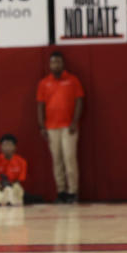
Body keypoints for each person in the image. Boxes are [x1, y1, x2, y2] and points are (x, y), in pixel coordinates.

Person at [36, 51, 84, 204]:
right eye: (53, 62)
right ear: (49, 65)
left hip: (68, 127)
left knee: (69, 159)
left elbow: (79, 101)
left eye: (58, 62)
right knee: (57, 161)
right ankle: (61, 191)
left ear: (63, 64)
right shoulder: (44, 83)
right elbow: (40, 105)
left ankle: (72, 192)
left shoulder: (72, 80)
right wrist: (42, 126)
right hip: (51, 127)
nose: (55, 65)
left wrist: (74, 122)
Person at [0, 134, 27, 206]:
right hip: (0, 190)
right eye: (4, 145)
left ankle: (8, 200)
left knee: (18, 188)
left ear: (15, 147)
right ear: (0, 147)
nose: (7, 148)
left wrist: (9, 186)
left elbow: (19, 181)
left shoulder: (21, 162)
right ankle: (6, 200)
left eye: (10, 145)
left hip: (13, 188)